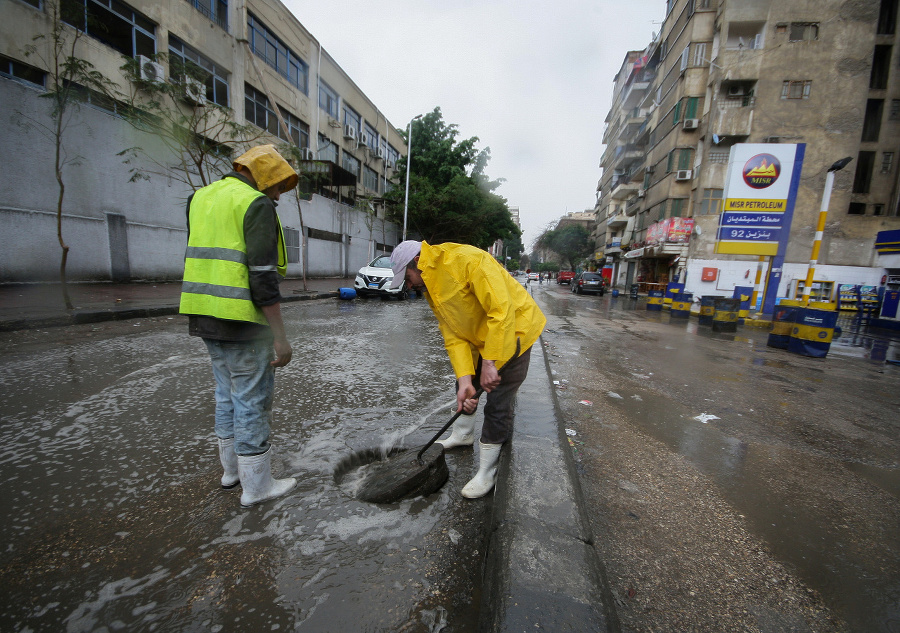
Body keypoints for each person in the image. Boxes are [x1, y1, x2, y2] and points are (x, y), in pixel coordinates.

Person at [179, 144, 298, 508]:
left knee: (225, 394)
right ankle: (257, 487)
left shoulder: (198, 197)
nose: (278, 196)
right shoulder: (254, 203)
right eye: (277, 186)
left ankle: (231, 473)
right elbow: (262, 278)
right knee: (251, 400)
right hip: (243, 321)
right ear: (262, 176)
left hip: (202, 314)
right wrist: (281, 338)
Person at [388, 241, 546, 498]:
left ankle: (487, 470)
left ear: (418, 261)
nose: (408, 285)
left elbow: (501, 311)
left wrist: (490, 363)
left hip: (515, 331)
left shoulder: (469, 261)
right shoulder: (431, 286)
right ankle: (462, 435)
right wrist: (464, 380)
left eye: (407, 278)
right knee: (466, 387)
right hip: (481, 338)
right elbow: (453, 334)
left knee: (497, 400)